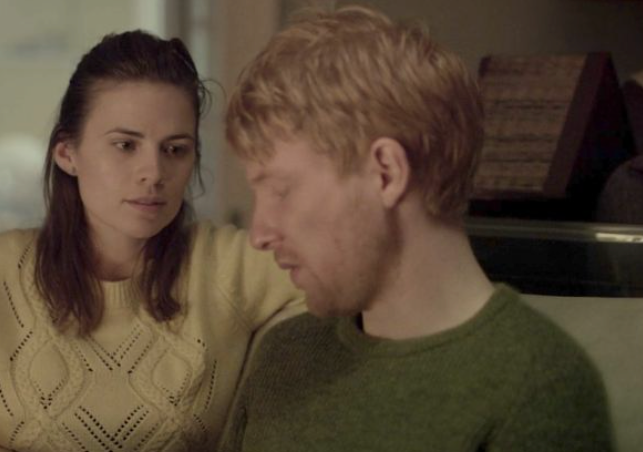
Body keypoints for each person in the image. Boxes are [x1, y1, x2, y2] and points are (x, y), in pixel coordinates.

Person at [0, 31, 302, 452]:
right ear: (67, 153)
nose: (154, 173)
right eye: (125, 144)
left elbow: (355, 281)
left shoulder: (234, 265)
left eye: (175, 150)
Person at [219, 5, 614, 451]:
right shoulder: (285, 356)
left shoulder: (539, 386)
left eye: (281, 190)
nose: (260, 233)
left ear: (385, 172)